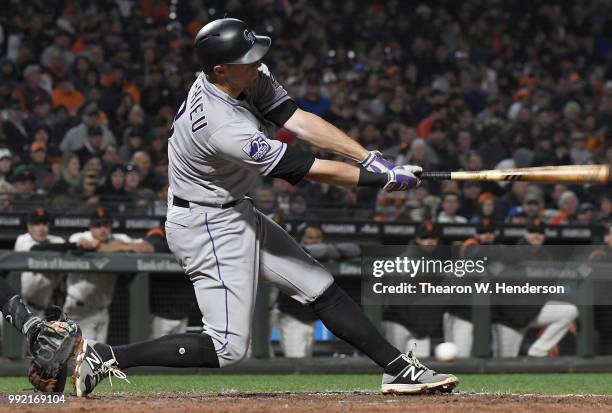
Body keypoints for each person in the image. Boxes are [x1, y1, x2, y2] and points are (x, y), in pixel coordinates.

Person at [71, 18, 457, 397]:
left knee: (319, 287)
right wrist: (381, 179)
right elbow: (304, 167)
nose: (257, 62)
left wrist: (369, 158)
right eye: (248, 58)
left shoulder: (241, 77)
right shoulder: (221, 126)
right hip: (205, 223)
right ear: (221, 70)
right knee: (227, 348)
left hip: (233, 209)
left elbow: (297, 120)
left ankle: (398, 370)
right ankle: (105, 356)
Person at [63, 207, 153, 342]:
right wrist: (122, 247)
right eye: (98, 225)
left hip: (102, 310)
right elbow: (89, 246)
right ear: (91, 227)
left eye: (106, 225)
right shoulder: (79, 236)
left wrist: (123, 245)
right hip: (79, 311)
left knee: (98, 358)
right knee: (81, 357)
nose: (102, 229)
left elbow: (148, 248)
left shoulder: (118, 238)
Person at [275, 224, 360, 357]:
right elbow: (307, 250)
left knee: (306, 361)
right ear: (302, 238)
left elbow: (355, 249)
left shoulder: (326, 254)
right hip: (292, 317)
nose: (314, 241)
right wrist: (329, 250)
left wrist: (329, 249)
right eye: (310, 237)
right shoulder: (294, 250)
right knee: (296, 361)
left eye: (318, 238)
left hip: (310, 318)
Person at [382, 222, 447, 357]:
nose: (430, 241)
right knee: (394, 368)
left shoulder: (436, 260)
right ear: (417, 239)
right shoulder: (407, 258)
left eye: (433, 238)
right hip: (399, 322)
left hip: (420, 327)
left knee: (421, 372)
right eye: (425, 238)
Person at [15, 208, 65, 318]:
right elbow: (36, 249)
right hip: (19, 306)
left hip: (40, 310)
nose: (41, 228)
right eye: (37, 224)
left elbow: (62, 245)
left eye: (45, 224)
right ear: (29, 227)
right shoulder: (22, 240)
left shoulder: (57, 241)